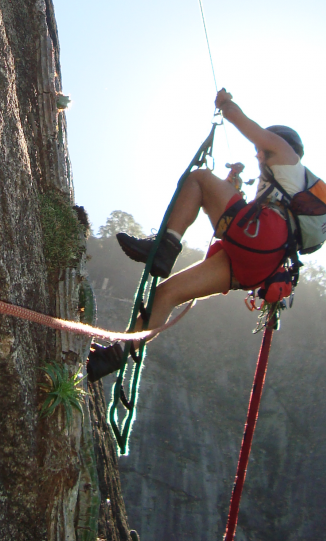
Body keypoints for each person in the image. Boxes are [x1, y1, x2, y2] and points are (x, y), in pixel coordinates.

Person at [87, 88, 306, 381]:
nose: (258, 154)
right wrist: (231, 188)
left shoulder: (287, 157)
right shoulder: (284, 188)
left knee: (199, 178)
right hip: (257, 266)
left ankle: (166, 246)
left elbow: (248, 127)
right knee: (167, 293)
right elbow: (238, 224)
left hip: (260, 241)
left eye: (261, 151)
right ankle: (114, 356)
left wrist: (226, 105)